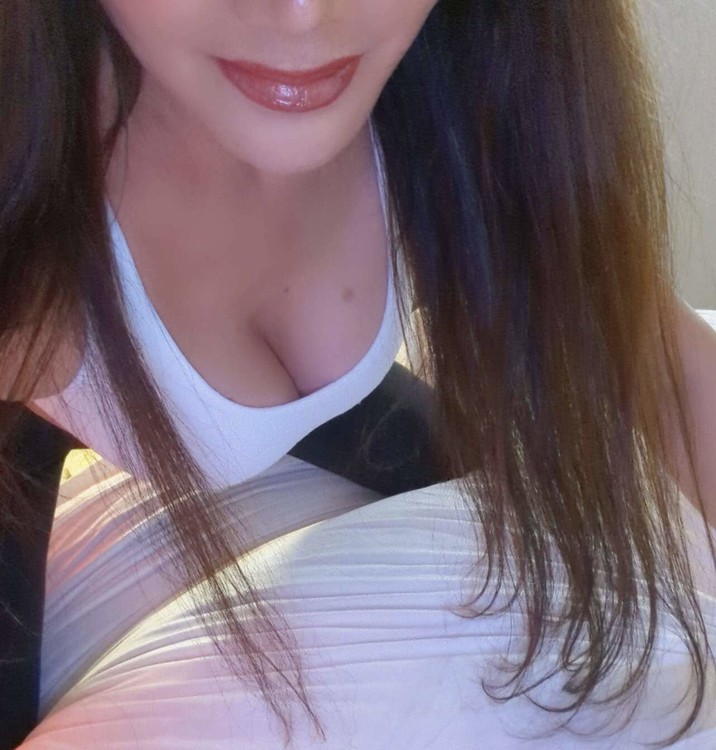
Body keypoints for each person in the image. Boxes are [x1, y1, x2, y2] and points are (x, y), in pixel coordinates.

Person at [1, 0, 715, 747]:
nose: (303, 15)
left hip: (349, 404)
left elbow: (658, 357)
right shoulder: (31, 232)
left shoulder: (475, 69)